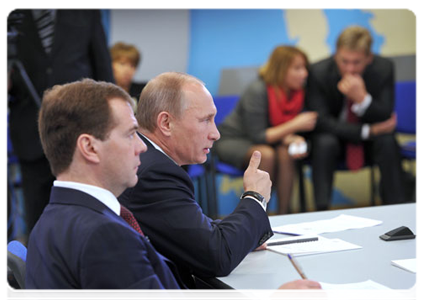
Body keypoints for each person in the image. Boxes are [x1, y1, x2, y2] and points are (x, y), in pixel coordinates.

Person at [27, 78, 327, 300]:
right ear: (89, 147)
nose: (141, 146)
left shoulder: (50, 221)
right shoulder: (105, 236)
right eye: (131, 134)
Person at [119, 71, 276, 287]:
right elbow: (216, 257)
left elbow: (189, 231)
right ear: (166, 123)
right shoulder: (156, 173)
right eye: (205, 120)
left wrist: (241, 236)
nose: (215, 134)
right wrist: (255, 197)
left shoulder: (147, 159)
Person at [7, 8, 114, 237]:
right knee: (38, 217)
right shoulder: (11, 13)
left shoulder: (85, 11)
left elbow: (103, 69)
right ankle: (40, 269)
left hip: (79, 133)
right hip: (30, 133)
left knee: (84, 214)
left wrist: (109, 125)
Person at [305, 26, 404, 210]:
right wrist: (367, 131)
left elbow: (385, 114)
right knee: (324, 142)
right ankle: (321, 211)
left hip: (370, 144)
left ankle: (397, 209)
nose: (350, 68)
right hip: (334, 140)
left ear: (369, 58)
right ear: (336, 55)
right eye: (344, 61)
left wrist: (363, 99)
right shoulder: (318, 72)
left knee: (388, 140)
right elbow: (321, 122)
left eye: (357, 62)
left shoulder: (384, 68)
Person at [214, 46, 318, 214]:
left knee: (286, 153)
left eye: (304, 67)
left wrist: (292, 138)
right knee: (266, 154)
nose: (304, 73)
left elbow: (277, 131)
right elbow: (258, 135)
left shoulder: (298, 93)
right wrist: (295, 125)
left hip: (266, 142)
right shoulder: (257, 89)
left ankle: (285, 215)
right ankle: (258, 217)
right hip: (234, 140)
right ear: (281, 69)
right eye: (297, 68)